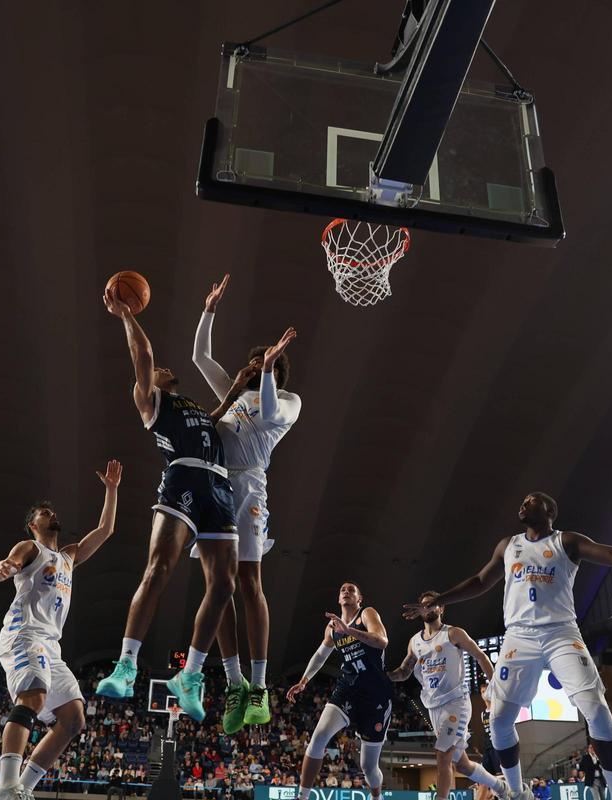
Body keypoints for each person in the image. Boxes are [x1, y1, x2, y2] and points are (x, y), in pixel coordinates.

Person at [404, 492, 612, 800]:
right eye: (522, 501)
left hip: (560, 632)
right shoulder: (508, 546)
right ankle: (516, 792)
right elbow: (480, 581)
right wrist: (439, 600)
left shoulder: (567, 541)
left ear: (549, 510)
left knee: (597, 710)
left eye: (531, 500)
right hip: (519, 636)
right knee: (498, 722)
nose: (523, 504)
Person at [95, 285, 239, 723]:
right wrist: (126, 315)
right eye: (156, 370)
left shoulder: (192, 405)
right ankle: (126, 665)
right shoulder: (152, 401)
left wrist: (244, 380)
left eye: (161, 369)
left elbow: (226, 406)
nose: (161, 369)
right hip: (183, 479)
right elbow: (142, 355)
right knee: (159, 569)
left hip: (220, 487)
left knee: (225, 586)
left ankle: (190, 676)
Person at [192, 273, 301, 732]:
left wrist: (273, 368)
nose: (259, 364)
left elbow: (272, 411)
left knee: (249, 584)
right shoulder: (235, 395)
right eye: (256, 360)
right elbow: (200, 357)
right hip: (215, 488)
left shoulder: (289, 401)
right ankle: (235, 682)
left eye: (267, 361)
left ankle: (258, 687)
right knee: (216, 588)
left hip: (250, 490)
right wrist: (209, 309)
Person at [0, 459, 122, 800]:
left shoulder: (69, 556)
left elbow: (105, 531)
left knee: (74, 719)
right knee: (32, 697)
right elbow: (6, 565)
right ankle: (4, 787)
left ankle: (22, 790)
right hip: (24, 635)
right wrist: (0, 569)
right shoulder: (30, 547)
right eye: (44, 512)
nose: (51, 514)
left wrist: (112, 490)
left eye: (51, 511)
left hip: (50, 645)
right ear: (33, 524)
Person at [387, 590, 507, 800]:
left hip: (456, 704)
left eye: (432, 604)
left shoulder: (453, 633)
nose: (428, 607)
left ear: (441, 608)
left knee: (442, 754)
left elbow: (480, 657)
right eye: (424, 604)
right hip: (433, 708)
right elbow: (404, 672)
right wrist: (383, 677)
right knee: (462, 764)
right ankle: (499, 786)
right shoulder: (415, 642)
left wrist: (495, 689)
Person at [287, 583, 392, 800]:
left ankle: (376, 796)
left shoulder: (367, 614)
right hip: (348, 688)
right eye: (342, 589)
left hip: (375, 694)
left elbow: (382, 641)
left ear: (359, 598)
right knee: (319, 737)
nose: (346, 591)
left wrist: (350, 630)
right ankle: (303, 796)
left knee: (368, 767)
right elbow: (320, 655)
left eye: (351, 589)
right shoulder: (332, 627)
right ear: (338, 599)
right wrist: (304, 680)